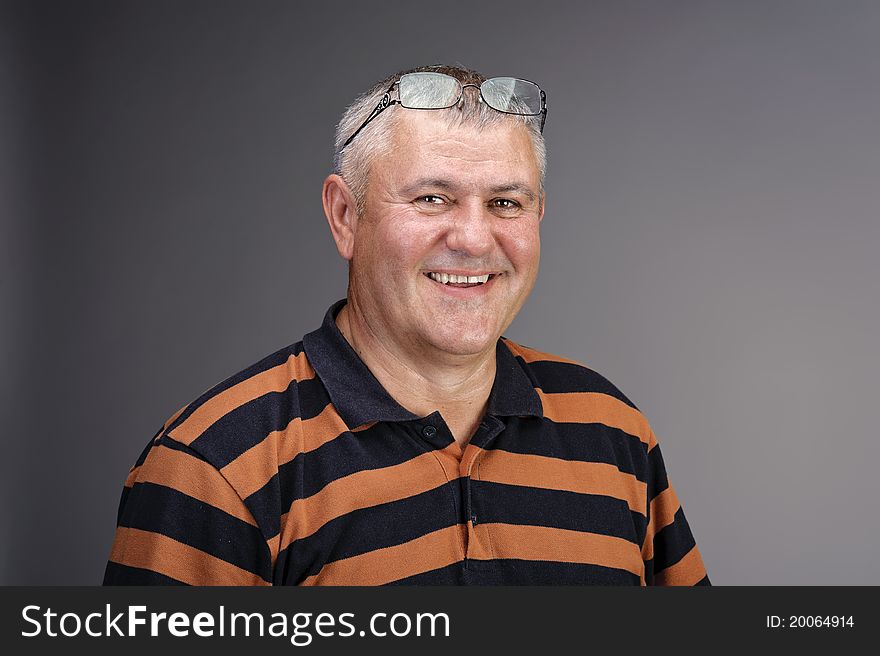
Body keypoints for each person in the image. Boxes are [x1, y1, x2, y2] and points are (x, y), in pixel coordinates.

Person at [103, 64, 709, 586]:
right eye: (431, 199)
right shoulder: (214, 468)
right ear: (345, 216)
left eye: (506, 203)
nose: (474, 239)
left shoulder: (611, 433)